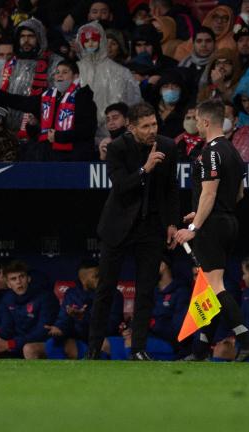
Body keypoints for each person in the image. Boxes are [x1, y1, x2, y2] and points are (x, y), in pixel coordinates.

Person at [88, 102, 179, 361]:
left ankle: (138, 349)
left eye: (154, 124)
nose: (152, 130)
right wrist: (145, 168)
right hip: (118, 226)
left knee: (146, 290)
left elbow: (171, 189)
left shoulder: (168, 147)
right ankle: (94, 348)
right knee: (105, 288)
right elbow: (120, 186)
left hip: (151, 227)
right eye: (146, 126)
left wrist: (172, 223)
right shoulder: (117, 148)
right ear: (131, 127)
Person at [174, 99, 249, 362]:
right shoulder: (233, 151)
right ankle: (200, 350)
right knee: (208, 286)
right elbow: (238, 194)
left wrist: (194, 226)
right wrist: (204, 212)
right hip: (227, 221)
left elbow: (209, 193)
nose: (196, 126)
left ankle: (247, 340)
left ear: (205, 121)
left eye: (197, 120)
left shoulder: (210, 152)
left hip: (212, 226)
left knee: (214, 285)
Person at [0, 59, 97, 161]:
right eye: (57, 72)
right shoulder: (48, 97)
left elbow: (88, 129)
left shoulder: (83, 98)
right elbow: (22, 102)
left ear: (75, 77)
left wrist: (60, 137)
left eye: (65, 72)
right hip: (49, 154)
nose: (59, 75)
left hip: (73, 156)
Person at [0, 17, 63, 138]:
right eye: (22, 36)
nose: (26, 40)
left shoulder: (55, 63)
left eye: (31, 36)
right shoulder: (10, 64)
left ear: (40, 38)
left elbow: (55, 98)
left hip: (38, 133)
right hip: (6, 135)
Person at [45, 259, 123, 360]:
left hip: (103, 340)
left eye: (101, 275)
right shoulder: (71, 294)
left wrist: (83, 318)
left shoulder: (114, 294)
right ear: (83, 281)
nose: (101, 279)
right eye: (96, 277)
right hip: (80, 340)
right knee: (52, 343)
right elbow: (64, 318)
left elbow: (111, 326)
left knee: (102, 343)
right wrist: (60, 329)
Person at [0, 260, 59, 359]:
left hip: (44, 343)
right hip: (18, 344)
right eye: (13, 279)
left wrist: (11, 344)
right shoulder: (7, 298)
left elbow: (42, 332)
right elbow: (6, 328)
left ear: (28, 278)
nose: (18, 282)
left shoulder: (45, 297)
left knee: (28, 349)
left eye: (22, 277)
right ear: (9, 284)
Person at [75, 21, 141, 133]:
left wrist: (105, 120)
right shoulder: (77, 69)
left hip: (111, 129)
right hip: (80, 129)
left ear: (101, 41)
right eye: (86, 41)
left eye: (94, 40)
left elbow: (122, 101)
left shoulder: (118, 71)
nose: (90, 44)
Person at [178, 27, 215, 91]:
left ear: (214, 43)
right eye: (199, 41)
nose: (203, 45)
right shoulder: (185, 63)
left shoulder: (218, 64)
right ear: (193, 44)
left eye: (208, 41)